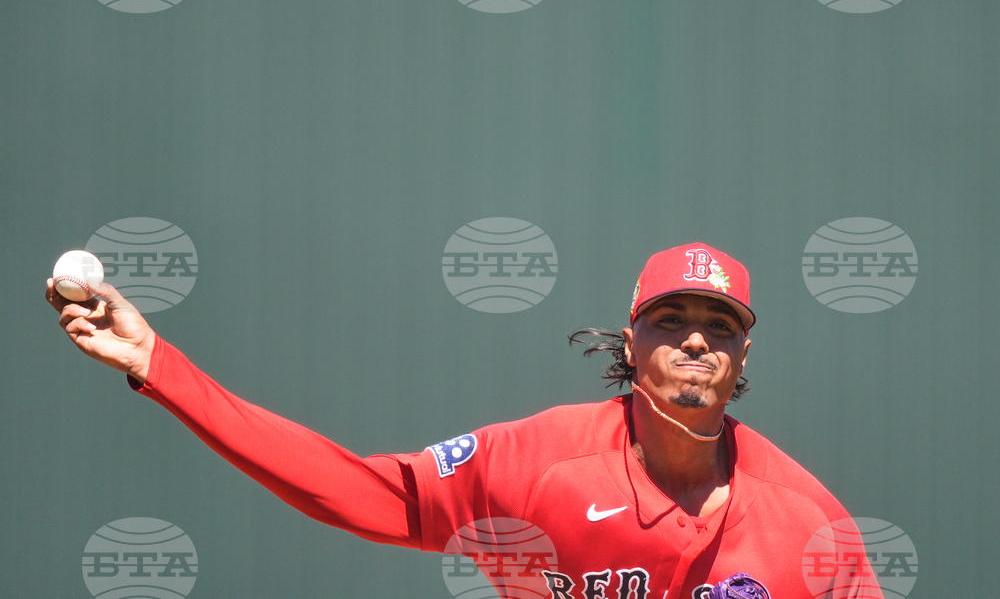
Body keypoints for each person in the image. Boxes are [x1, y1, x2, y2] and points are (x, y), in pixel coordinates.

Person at [47, 242, 882, 599]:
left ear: (743, 357)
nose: (697, 338)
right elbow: (358, 491)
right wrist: (160, 366)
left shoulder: (810, 523)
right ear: (631, 343)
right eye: (671, 319)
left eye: (722, 325)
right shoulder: (540, 464)